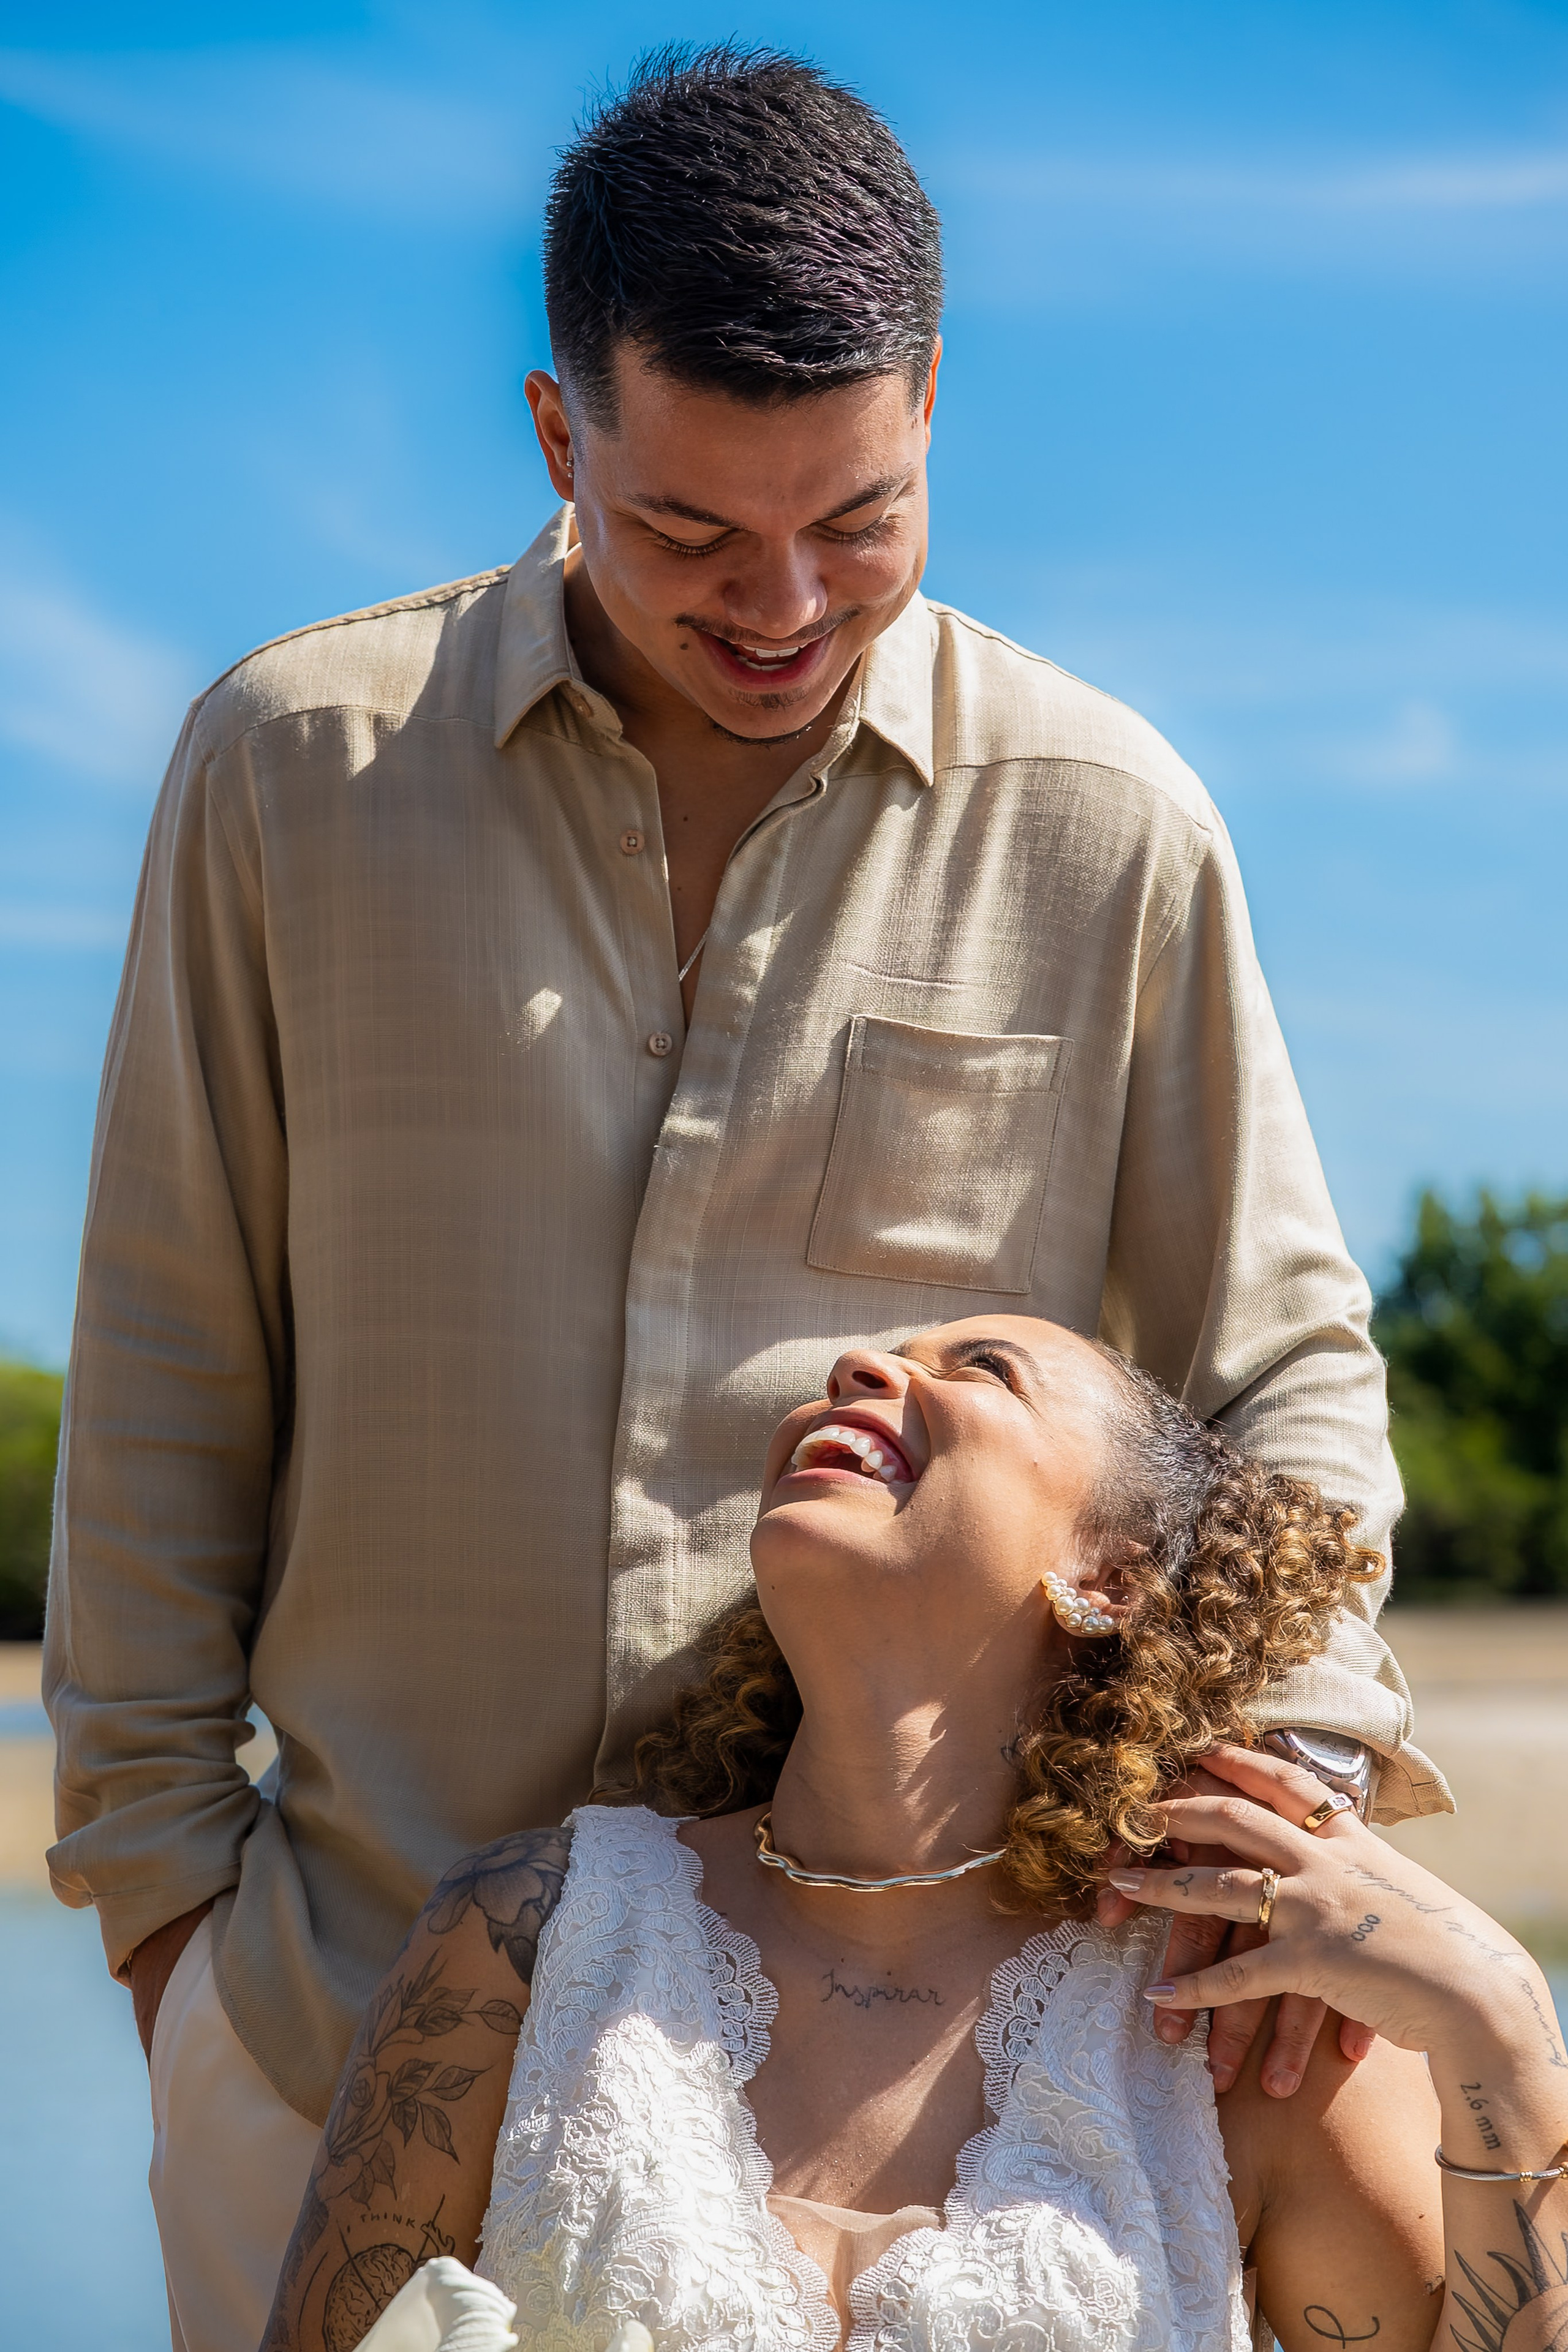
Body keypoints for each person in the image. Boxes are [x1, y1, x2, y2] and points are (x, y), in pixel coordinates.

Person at [44, 45, 1446, 2352]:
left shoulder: (1111, 821)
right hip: (324, 2021)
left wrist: (1274, 1791)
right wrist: (170, 1936)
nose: (786, 603)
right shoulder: (291, 768)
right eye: (693, 531)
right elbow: (171, 1364)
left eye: (861, 519)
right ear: (555, 433)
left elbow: (1283, 1367)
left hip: (895, 2121)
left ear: (933, 407)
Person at [262, 1316, 1566, 2352]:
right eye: (867, 1360)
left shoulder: (1234, 2010)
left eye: (982, 1369)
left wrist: (1499, 2025)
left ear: (1109, 1577)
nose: (856, 1368)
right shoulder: (526, 1934)